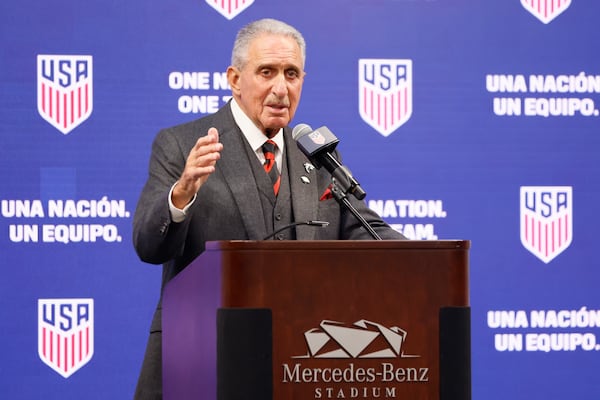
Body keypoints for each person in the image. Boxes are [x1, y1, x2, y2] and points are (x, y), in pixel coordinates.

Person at [132, 18, 406, 399]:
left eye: (291, 74)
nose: (281, 88)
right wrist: (182, 194)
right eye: (267, 72)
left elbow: (365, 228)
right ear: (234, 78)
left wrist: (426, 258)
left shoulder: (318, 155)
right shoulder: (182, 146)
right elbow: (149, 245)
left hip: (298, 366)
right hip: (201, 363)